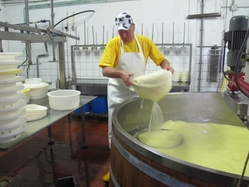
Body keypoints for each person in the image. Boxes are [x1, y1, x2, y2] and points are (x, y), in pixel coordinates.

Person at [99, 11, 174, 182]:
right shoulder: (113, 44)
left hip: (139, 91)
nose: (124, 34)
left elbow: (161, 60)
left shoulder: (145, 42)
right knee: (115, 131)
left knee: (137, 127)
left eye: (126, 30)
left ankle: (137, 166)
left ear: (133, 27)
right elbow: (105, 69)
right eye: (120, 31)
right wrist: (120, 73)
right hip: (118, 92)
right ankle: (115, 168)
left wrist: (167, 67)